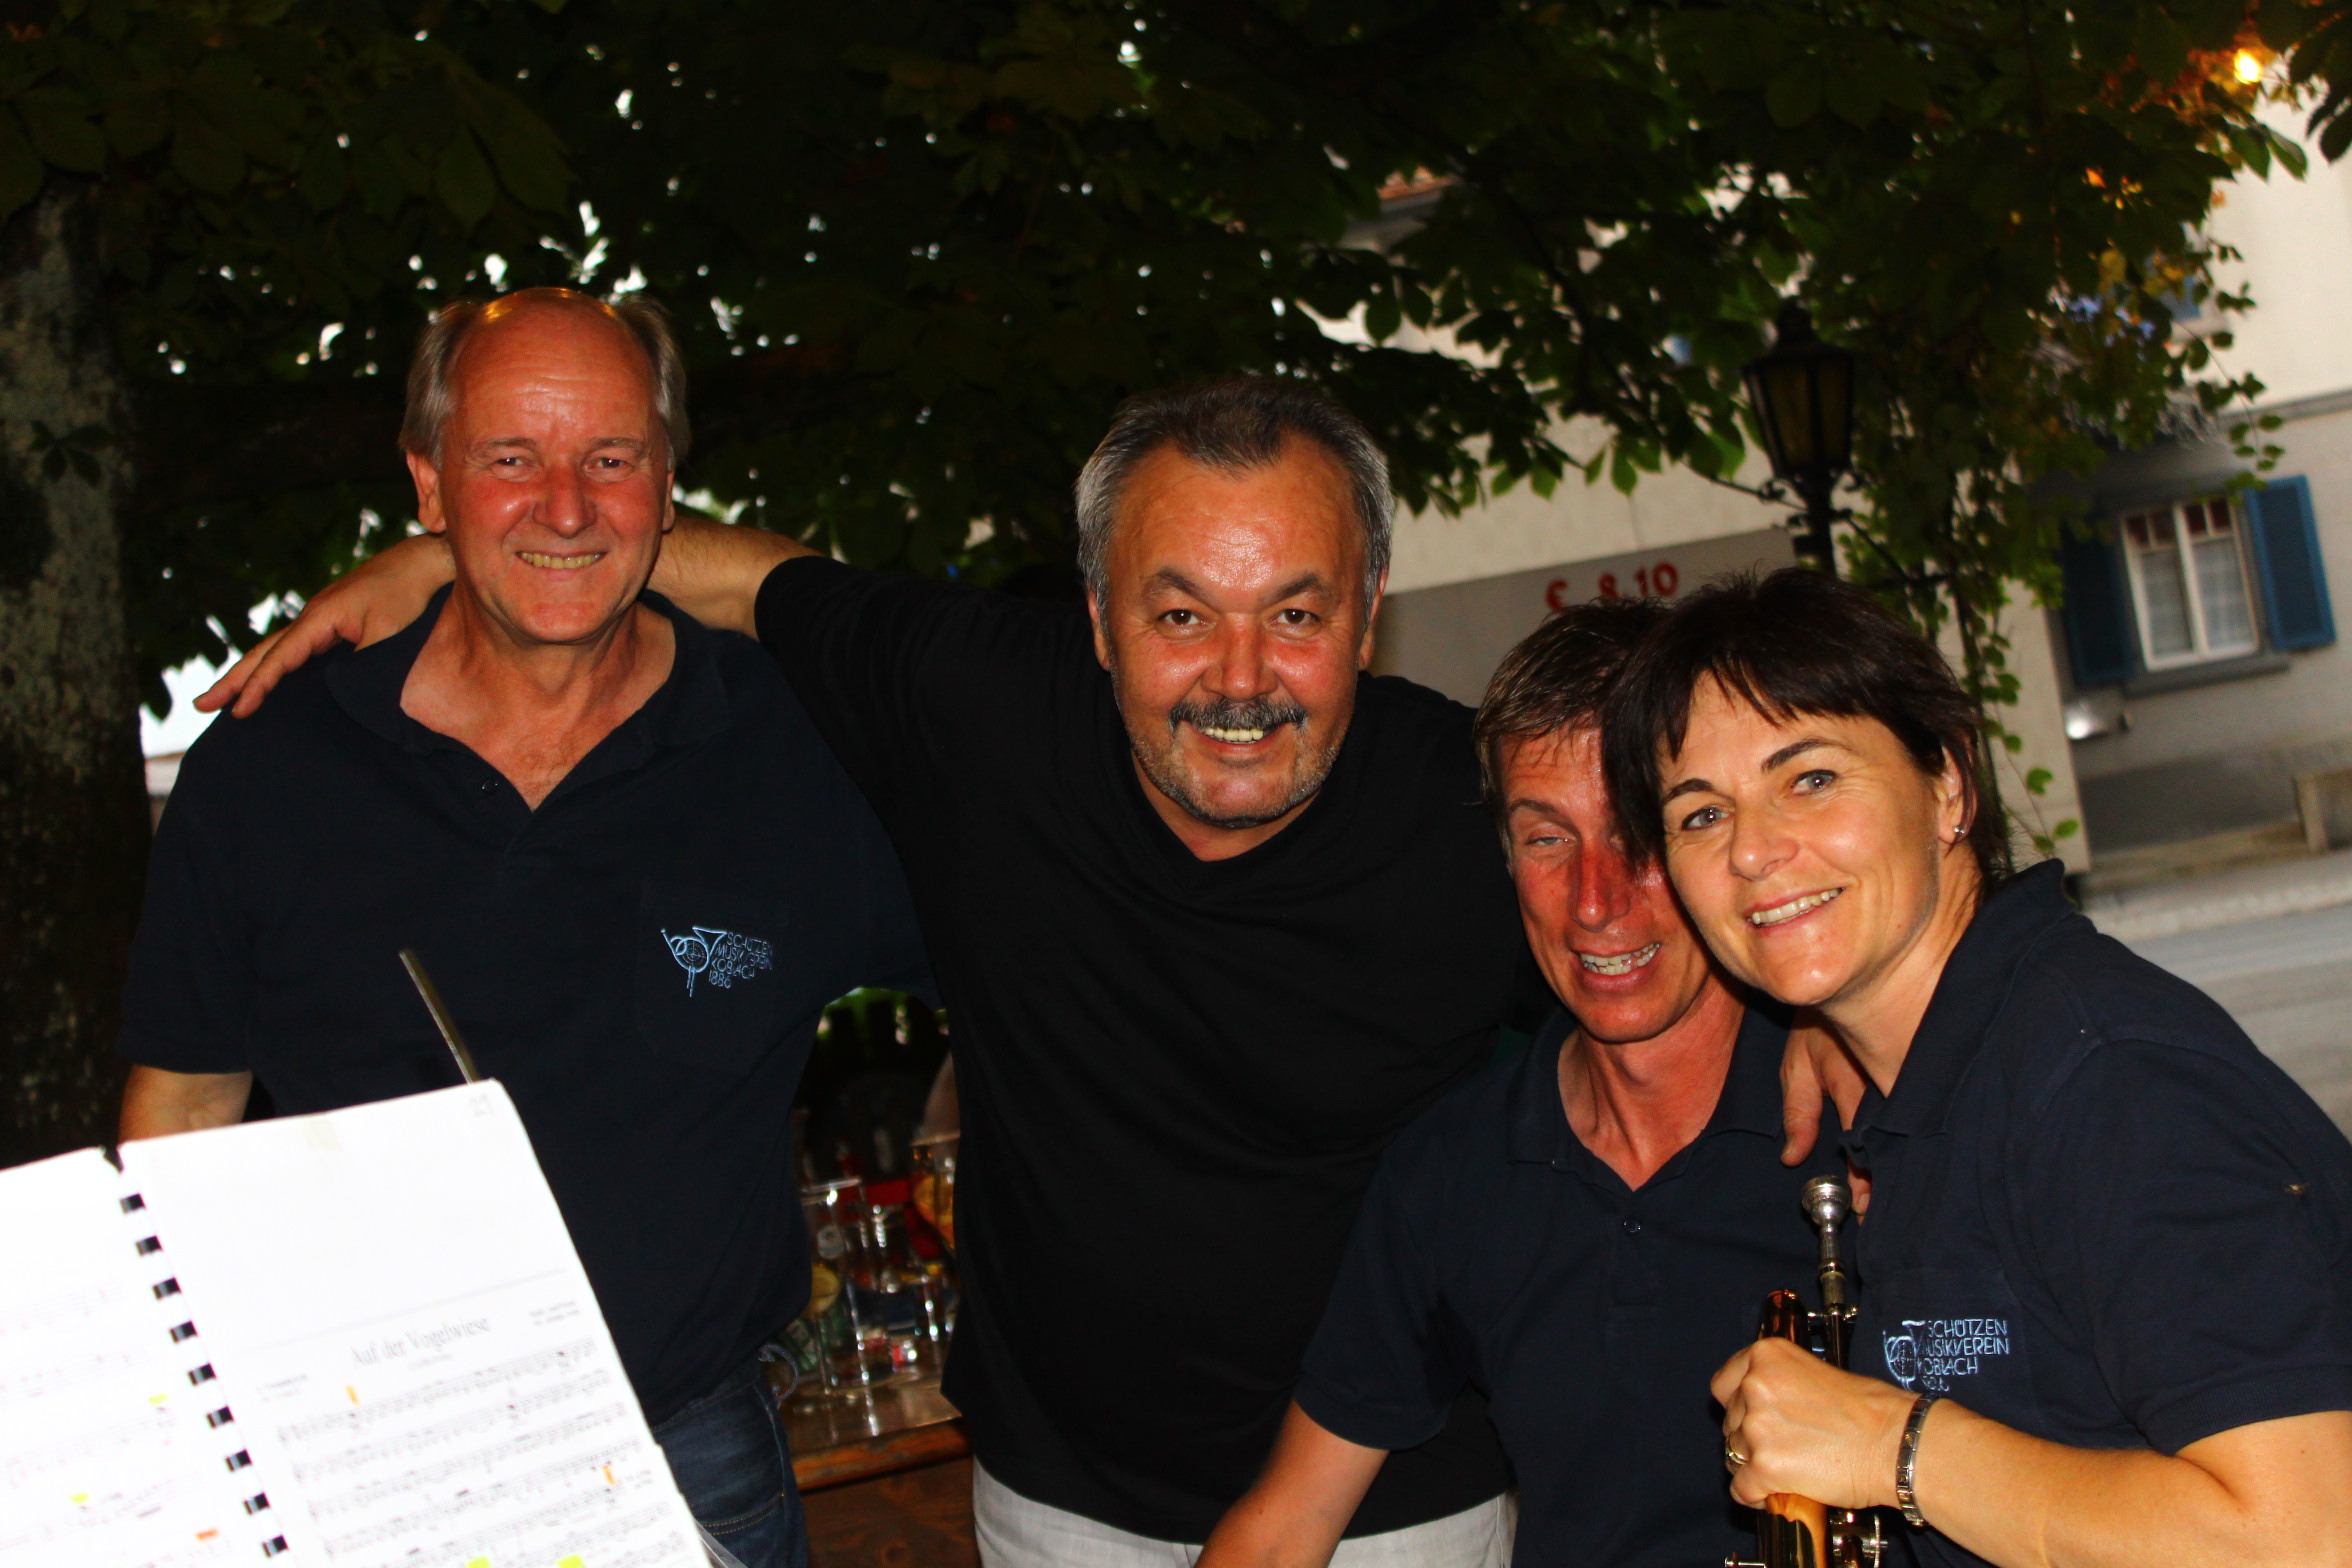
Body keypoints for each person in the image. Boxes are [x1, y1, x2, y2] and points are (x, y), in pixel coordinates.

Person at [201, 378, 1848, 1565]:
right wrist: (457, 569)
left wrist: (1810, 1016)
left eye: (1295, 614)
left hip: (1397, 1501)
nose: (1241, 678)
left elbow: (1670, 911)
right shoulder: (979, 703)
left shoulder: (1469, 807)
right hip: (1060, 1507)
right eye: (1180, 616)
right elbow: (728, 574)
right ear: (1096, 620)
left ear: (1366, 617)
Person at [118, 288, 929, 1568]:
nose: (565, 506)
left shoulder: (800, 748)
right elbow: (180, 1111)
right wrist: (182, 1431)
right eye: (510, 458)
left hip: (688, 1460)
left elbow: (1038, 960)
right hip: (358, 1464)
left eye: (611, 458)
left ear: (670, 487)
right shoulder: (274, 765)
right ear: (426, 483)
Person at [1598, 568, 2352, 1568]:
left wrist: (1891, 1446)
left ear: (1948, 783)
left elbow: (2302, 1535)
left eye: (1810, 778)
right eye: (1701, 815)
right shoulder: (1930, 1073)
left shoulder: (2107, 1084)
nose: (1752, 851)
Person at [1198, 599, 1851, 1568]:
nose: (1595, 900)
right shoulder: (1453, 1171)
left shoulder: (1864, 1116)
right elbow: (1286, 1523)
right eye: (1547, 839)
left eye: (1639, 830)